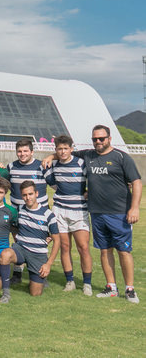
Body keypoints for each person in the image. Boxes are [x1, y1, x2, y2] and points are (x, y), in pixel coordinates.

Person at [47, 125, 141, 303]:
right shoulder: (88, 155)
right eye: (95, 139)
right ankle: (111, 287)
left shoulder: (121, 157)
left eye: (102, 138)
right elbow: (65, 151)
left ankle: (130, 289)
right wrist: (51, 155)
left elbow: (136, 182)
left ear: (109, 138)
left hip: (119, 213)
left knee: (123, 250)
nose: (98, 142)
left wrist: (134, 208)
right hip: (97, 213)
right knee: (104, 251)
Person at [43, 134, 92, 295]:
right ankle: (70, 281)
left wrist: (87, 192)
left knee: (83, 247)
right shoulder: (53, 164)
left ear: (71, 149)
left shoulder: (81, 163)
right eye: (59, 149)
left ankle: (87, 283)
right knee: (64, 247)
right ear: (55, 150)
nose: (63, 152)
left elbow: (94, 181)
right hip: (60, 210)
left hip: (79, 210)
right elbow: (52, 183)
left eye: (66, 148)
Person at [0, 180, 60, 303]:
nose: (28, 197)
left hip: (38, 254)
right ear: (22, 196)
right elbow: (14, 227)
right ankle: (6, 294)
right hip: (20, 249)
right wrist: (17, 240)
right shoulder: (19, 210)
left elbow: (57, 240)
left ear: (36, 193)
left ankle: (38, 279)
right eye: (25, 195)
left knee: (35, 293)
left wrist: (48, 264)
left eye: (30, 194)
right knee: (5, 255)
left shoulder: (48, 215)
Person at [7, 138, 49, 284]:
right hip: (18, 214)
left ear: (32, 152)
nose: (22, 154)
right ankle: (17, 274)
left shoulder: (42, 166)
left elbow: (56, 186)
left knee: (40, 243)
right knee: (18, 241)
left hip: (38, 214)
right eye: (19, 151)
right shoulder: (11, 166)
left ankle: (42, 273)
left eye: (25, 151)